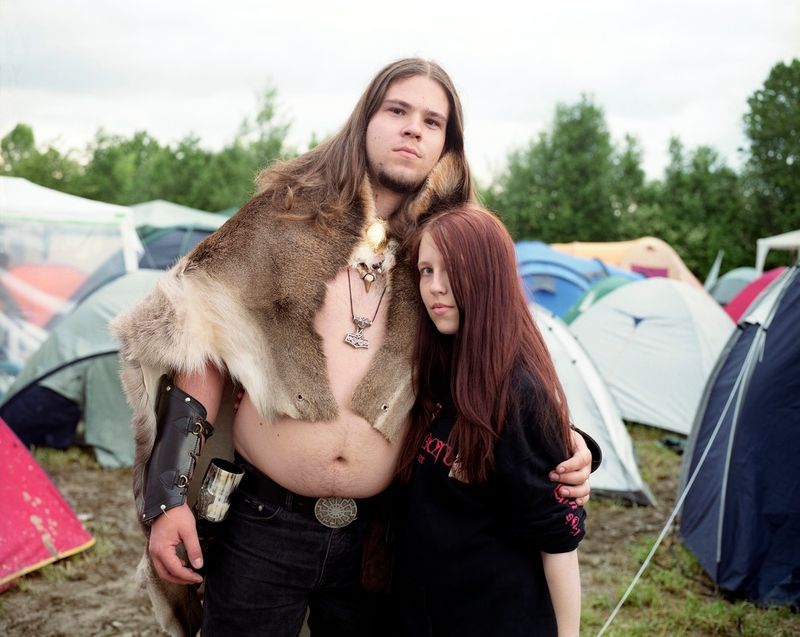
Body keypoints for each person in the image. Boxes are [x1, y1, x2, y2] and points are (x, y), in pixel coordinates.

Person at [113, 58, 598, 637]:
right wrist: (168, 499)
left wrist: (569, 441)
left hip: (382, 539)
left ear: (447, 144)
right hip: (264, 524)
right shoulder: (281, 219)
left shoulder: (442, 249)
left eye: (433, 121)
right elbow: (198, 339)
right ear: (365, 120)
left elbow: (499, 351)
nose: (413, 128)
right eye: (397, 110)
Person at [391, 205, 585, 637]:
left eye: (451, 269)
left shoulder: (518, 392)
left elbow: (558, 540)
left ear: (487, 275)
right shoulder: (438, 370)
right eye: (425, 270)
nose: (434, 288)